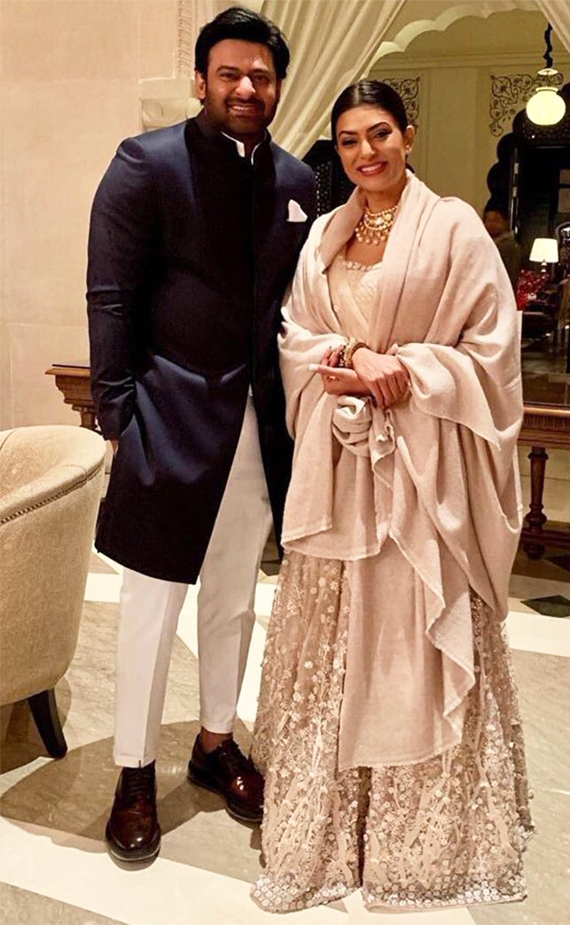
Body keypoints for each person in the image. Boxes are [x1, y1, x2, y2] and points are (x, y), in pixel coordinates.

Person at [251, 80, 533, 913]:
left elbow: (492, 352)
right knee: (338, 641)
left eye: (379, 134)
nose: (365, 152)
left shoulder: (453, 228)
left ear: (409, 134)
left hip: (422, 474)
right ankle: (333, 826)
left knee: (410, 636)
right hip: (342, 472)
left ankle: (419, 836)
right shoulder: (326, 235)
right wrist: (348, 355)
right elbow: (297, 336)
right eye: (348, 141)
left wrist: (406, 368)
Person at [87, 6, 316, 864]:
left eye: (260, 75)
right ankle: (134, 770)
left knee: (234, 596)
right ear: (201, 80)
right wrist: (118, 415)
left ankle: (216, 742)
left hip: (259, 427)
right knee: (151, 605)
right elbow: (110, 296)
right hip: (166, 419)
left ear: (277, 86)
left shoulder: (298, 180)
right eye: (229, 73)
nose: (245, 87)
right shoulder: (144, 165)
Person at [483, 204, 522, 292]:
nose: (491, 224)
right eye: (488, 220)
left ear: (506, 222)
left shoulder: (507, 245)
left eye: (496, 220)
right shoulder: (488, 243)